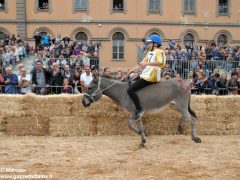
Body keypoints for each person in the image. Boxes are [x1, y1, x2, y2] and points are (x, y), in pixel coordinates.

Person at [127, 34, 166, 120]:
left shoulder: (160, 52)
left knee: (130, 90)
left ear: (155, 44)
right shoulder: (149, 53)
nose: (148, 45)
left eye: (149, 43)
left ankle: (139, 109)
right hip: (146, 75)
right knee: (129, 82)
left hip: (152, 76)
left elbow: (161, 63)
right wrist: (132, 70)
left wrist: (147, 63)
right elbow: (141, 64)